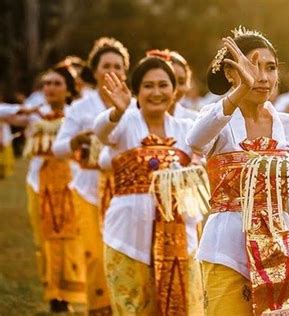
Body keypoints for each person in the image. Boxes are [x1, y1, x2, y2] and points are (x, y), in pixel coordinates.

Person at [187, 27, 289, 315]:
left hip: (278, 242)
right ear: (231, 73)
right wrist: (239, 92)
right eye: (252, 66)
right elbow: (196, 140)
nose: (262, 77)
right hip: (226, 244)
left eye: (271, 68)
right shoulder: (218, 118)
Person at [93, 51, 205, 315]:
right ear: (137, 92)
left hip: (179, 240)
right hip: (127, 239)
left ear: (175, 90)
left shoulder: (185, 128)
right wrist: (116, 111)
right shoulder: (125, 123)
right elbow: (101, 132)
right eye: (148, 86)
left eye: (163, 85)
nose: (156, 92)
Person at [53, 37, 131, 315]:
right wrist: (77, 141)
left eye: (118, 66)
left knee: (123, 252)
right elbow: (57, 148)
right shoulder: (80, 108)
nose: (112, 71)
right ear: (94, 70)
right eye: (106, 65)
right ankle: (98, 308)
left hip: (125, 189)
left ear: (125, 71)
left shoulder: (134, 106)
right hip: (88, 189)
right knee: (96, 256)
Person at [23, 64, 86, 313]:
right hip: (38, 185)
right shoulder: (34, 114)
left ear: (68, 89)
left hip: (71, 183)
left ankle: (68, 293)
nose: (49, 88)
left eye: (56, 83)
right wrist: (20, 108)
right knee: (44, 238)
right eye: (46, 83)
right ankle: (52, 292)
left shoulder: (77, 115)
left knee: (71, 238)